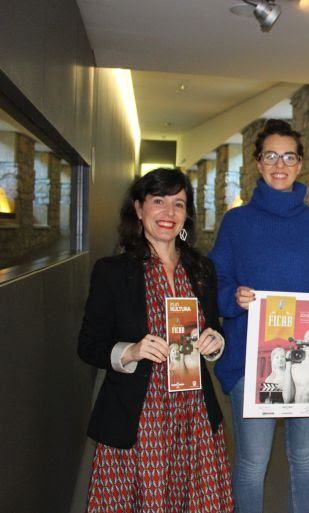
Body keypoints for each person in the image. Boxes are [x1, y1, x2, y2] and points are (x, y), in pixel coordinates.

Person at [209, 119, 309, 513]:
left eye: (288, 156)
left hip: (307, 364)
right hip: (252, 360)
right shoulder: (237, 222)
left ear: (300, 163)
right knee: (253, 463)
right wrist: (231, 297)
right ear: (258, 162)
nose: (279, 164)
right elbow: (214, 280)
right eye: (270, 155)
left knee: (305, 460)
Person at [77, 168, 233, 513]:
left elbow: (216, 330)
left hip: (193, 412)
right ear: (138, 208)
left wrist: (214, 343)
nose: (169, 213)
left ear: (186, 214)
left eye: (178, 204)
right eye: (158, 201)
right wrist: (130, 350)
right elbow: (89, 344)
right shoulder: (113, 271)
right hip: (139, 414)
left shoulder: (202, 269)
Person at [283, 328, 309, 404]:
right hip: (296, 412)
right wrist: (288, 367)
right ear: (304, 346)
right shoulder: (294, 368)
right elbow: (287, 399)